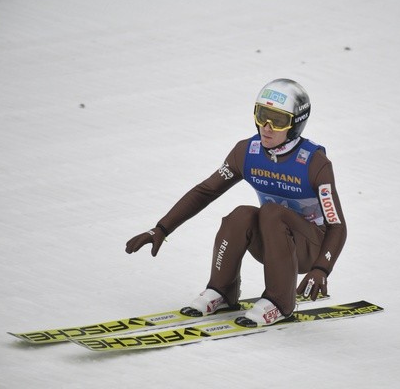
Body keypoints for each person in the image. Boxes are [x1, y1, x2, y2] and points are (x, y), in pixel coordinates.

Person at [125, 78, 347, 327]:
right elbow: (206, 191)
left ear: (296, 124)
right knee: (241, 215)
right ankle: (222, 291)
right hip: (274, 243)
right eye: (262, 115)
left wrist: (321, 269)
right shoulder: (247, 152)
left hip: (310, 248)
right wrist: (162, 228)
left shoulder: (314, 163)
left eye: (279, 120)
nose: (267, 127)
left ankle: (281, 302)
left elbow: (337, 226)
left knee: (272, 213)